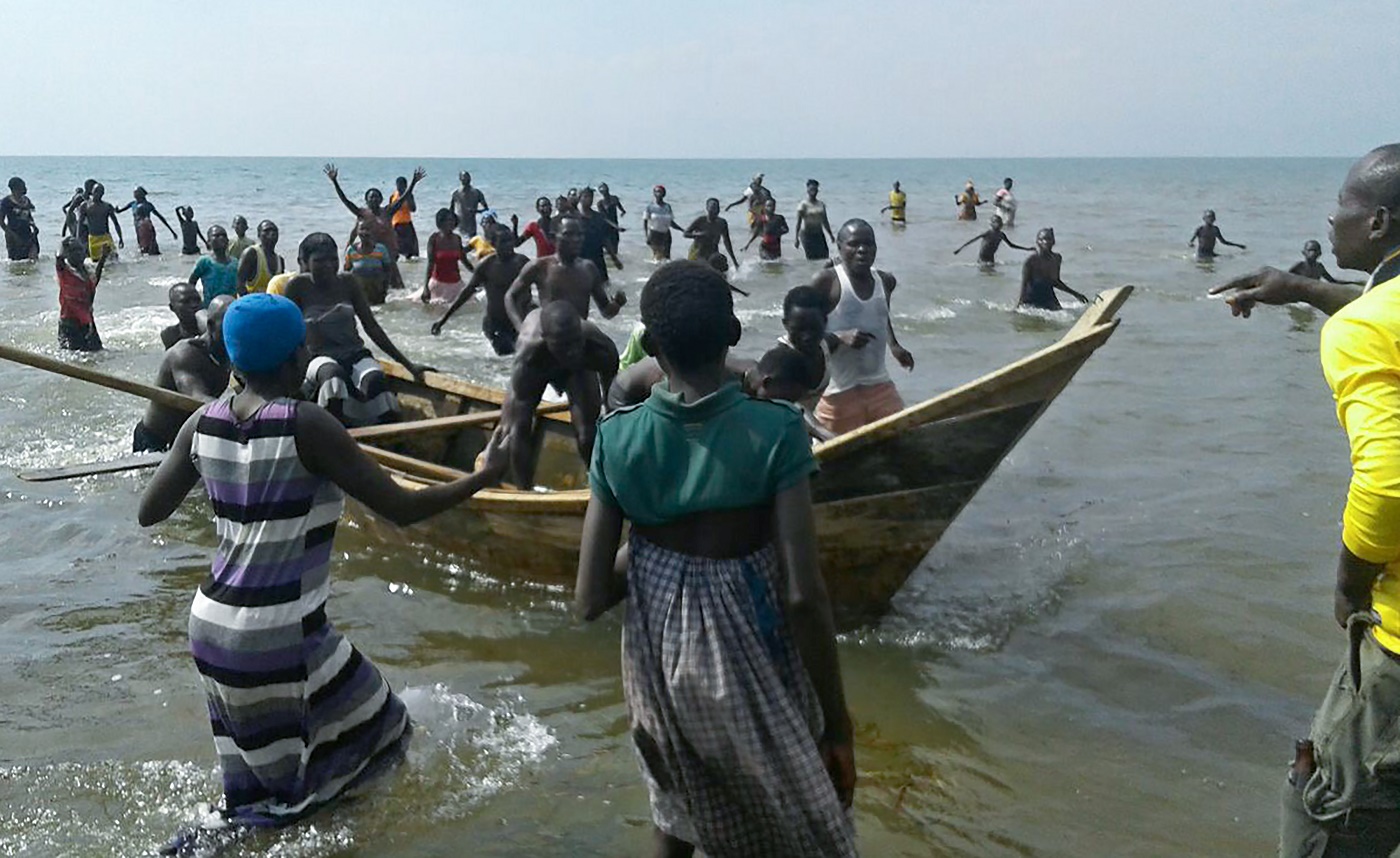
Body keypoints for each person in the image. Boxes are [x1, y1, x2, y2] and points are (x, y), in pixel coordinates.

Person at [137, 292, 508, 836]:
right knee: (371, 741)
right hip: (278, 632)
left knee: (258, 783)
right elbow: (402, 508)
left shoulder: (201, 423)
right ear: (295, 358)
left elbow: (150, 511)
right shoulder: (306, 425)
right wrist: (480, 477)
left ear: (232, 362)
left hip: (212, 626)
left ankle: (240, 833)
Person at [575, 260, 856, 858]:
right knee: (798, 822)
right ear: (733, 333)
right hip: (753, 659)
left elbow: (589, 598)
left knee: (677, 814)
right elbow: (804, 597)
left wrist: (660, 543)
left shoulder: (616, 437)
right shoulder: (777, 428)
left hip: (657, 672)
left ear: (649, 344)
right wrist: (839, 724)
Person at [1209, 144, 1400, 858]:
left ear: (1378, 221)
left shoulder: (1362, 332)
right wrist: (1300, 287)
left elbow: (1387, 483)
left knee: (1322, 818)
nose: (1330, 213)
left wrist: (1349, 582)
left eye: (1344, 203)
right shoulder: (1374, 312)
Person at [282, 232, 431, 426]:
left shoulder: (348, 283)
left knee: (375, 380)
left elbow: (372, 328)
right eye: (319, 261)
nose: (328, 265)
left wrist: (409, 366)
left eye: (333, 259)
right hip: (317, 358)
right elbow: (285, 335)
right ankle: (331, 435)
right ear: (304, 261)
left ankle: (385, 438)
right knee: (333, 377)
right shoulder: (297, 287)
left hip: (354, 354)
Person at [499, 302, 619, 487]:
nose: (572, 351)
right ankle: (524, 490)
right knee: (513, 431)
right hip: (540, 366)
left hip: (579, 369)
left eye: (575, 342)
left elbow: (614, 408)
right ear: (545, 339)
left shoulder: (600, 349)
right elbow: (521, 428)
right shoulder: (528, 358)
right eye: (563, 346)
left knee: (587, 433)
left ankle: (598, 484)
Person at [812, 218, 915, 434]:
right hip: (837, 392)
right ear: (839, 247)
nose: (862, 250)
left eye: (869, 244)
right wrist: (839, 337)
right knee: (836, 455)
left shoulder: (886, 281)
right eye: (854, 244)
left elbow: (881, 315)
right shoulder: (826, 281)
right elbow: (801, 332)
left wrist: (894, 345)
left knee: (902, 439)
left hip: (879, 386)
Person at [134, 295, 232, 453]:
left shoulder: (229, 346)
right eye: (229, 326)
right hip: (156, 439)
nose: (235, 333)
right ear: (212, 326)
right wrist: (243, 411)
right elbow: (197, 400)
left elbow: (201, 315)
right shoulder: (185, 354)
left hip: (188, 433)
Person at [505, 215, 626, 332]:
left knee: (608, 350)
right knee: (524, 351)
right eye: (568, 234)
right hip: (548, 334)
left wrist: (617, 303)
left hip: (579, 334)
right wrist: (521, 327)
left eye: (580, 234)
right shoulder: (540, 266)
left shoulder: (589, 268)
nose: (576, 239)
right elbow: (510, 296)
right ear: (553, 237)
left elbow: (606, 312)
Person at [432, 224, 531, 355]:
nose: (508, 245)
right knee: (506, 356)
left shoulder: (523, 262)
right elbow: (467, 292)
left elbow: (541, 287)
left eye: (510, 240)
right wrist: (443, 319)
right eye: (503, 242)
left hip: (518, 322)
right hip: (495, 323)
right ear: (493, 244)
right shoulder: (487, 265)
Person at [56, 236, 109, 351]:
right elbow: (58, 258)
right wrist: (64, 242)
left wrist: (103, 258)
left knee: (97, 355)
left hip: (87, 323)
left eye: (80, 250)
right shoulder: (65, 273)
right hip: (70, 324)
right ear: (68, 255)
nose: (78, 254)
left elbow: (95, 281)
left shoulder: (87, 274)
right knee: (72, 360)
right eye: (73, 251)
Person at [1019, 228, 1088, 310]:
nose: (1046, 242)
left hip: (1048, 295)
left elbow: (1055, 281)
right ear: (1037, 242)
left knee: (1063, 315)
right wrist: (1020, 304)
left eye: (1049, 239)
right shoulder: (1031, 261)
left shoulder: (1057, 258)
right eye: (1042, 239)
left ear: (1053, 241)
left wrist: (1076, 294)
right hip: (1031, 297)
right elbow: (1024, 285)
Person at [419, 208, 472, 304]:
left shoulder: (457, 239)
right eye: (448, 220)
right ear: (441, 222)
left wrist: (479, 275)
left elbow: (464, 260)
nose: (451, 223)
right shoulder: (434, 239)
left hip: (456, 284)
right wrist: (426, 287)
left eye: (452, 220)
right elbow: (430, 264)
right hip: (438, 284)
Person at [188, 225, 239, 308]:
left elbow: (240, 286)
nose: (221, 238)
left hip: (231, 308)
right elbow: (191, 284)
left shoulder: (235, 262)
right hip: (210, 309)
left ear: (228, 240)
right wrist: (196, 302)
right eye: (216, 236)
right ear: (208, 242)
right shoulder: (204, 262)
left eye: (224, 235)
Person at [955, 215, 1032, 269]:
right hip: (982, 257)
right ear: (991, 224)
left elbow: (1011, 245)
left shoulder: (1001, 235)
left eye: (999, 222)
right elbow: (972, 241)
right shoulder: (987, 233)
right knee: (985, 272)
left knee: (992, 273)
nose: (998, 224)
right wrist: (960, 249)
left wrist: (1027, 249)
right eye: (996, 222)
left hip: (991, 257)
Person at [117, 186, 178, 256]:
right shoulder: (133, 204)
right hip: (138, 229)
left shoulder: (147, 205)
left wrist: (171, 231)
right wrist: (116, 209)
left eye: (136, 192)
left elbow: (160, 217)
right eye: (134, 192)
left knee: (150, 250)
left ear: (141, 194)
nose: (134, 194)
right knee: (144, 249)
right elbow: (119, 211)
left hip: (146, 229)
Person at [343, 223, 394, 305]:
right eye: (361, 229)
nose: (365, 232)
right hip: (359, 293)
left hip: (378, 291)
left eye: (368, 229)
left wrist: (385, 289)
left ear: (373, 232)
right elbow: (346, 272)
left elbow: (388, 271)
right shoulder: (351, 250)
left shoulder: (380, 249)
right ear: (357, 232)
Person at [683, 198, 740, 269]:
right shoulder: (701, 220)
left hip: (713, 251)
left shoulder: (722, 223)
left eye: (716, 208)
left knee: (718, 272)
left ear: (719, 209)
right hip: (698, 251)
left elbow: (727, 242)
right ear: (707, 208)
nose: (714, 210)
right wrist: (699, 235)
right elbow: (685, 234)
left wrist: (734, 261)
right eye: (712, 208)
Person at [578, 187, 623, 277]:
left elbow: (605, 239)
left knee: (603, 286)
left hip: (597, 259)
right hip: (580, 260)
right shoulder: (574, 218)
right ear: (580, 198)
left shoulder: (598, 217)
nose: (589, 199)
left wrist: (614, 259)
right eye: (586, 196)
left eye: (591, 197)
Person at [236, 219, 284, 295]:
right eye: (266, 230)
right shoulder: (251, 253)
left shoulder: (280, 260)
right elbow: (239, 284)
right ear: (259, 235)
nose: (271, 233)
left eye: (274, 231)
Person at [1288, 239, 1363, 285]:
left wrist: (1354, 283)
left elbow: (1332, 281)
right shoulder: (1299, 266)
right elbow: (1285, 278)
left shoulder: (1319, 267)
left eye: (1315, 250)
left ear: (1319, 253)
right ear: (1304, 252)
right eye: (1310, 250)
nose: (1312, 253)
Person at [79, 182, 124, 260]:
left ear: (103, 193)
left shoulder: (107, 206)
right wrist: (79, 239)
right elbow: (80, 224)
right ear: (92, 191)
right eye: (96, 191)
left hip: (105, 237)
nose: (98, 194)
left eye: (100, 192)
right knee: (96, 262)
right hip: (93, 238)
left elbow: (116, 223)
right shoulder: (85, 206)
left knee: (113, 260)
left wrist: (120, 238)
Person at [795, 179, 836, 261]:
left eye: (815, 189)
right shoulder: (803, 205)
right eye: (811, 189)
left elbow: (825, 221)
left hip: (819, 234)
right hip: (807, 235)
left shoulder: (821, 204)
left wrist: (831, 235)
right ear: (807, 190)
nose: (813, 191)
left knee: (824, 256)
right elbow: (798, 223)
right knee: (811, 258)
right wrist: (796, 238)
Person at [1, 177, 39, 261]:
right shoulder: (6, 202)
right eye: (22, 186)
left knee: (33, 258)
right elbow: (1, 221)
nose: (25, 189)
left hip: (27, 233)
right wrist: (12, 235)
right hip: (13, 234)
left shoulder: (26, 200)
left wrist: (34, 226)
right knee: (16, 261)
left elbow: (29, 216)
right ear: (14, 189)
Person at [160, 282, 205, 350]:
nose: (194, 305)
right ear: (172, 308)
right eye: (186, 302)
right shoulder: (170, 335)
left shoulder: (213, 331)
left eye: (197, 300)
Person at [643, 185, 683, 261]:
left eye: (660, 191)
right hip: (654, 234)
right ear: (654, 193)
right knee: (657, 258)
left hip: (666, 234)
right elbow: (645, 222)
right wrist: (646, 236)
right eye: (656, 191)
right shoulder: (649, 207)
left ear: (664, 194)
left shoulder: (667, 207)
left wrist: (682, 229)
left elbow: (671, 222)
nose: (658, 193)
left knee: (666, 259)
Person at [450, 171, 488, 238]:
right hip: (460, 226)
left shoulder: (477, 193)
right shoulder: (456, 193)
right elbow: (451, 211)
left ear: (470, 179)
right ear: (460, 179)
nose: (466, 180)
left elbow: (486, 209)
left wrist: (476, 211)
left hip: (472, 226)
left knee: (472, 244)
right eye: (464, 178)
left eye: (468, 178)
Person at [389, 176, 419, 259]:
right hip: (396, 225)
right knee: (397, 249)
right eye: (398, 185)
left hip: (407, 225)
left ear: (406, 186)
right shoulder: (393, 196)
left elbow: (413, 209)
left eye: (402, 185)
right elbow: (389, 212)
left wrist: (408, 198)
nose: (400, 187)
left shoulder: (409, 195)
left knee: (412, 251)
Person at [596, 182, 626, 257]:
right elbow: (604, 218)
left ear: (608, 189)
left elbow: (622, 209)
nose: (603, 191)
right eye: (601, 190)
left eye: (604, 188)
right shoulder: (600, 203)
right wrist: (616, 227)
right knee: (607, 247)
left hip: (615, 228)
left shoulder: (614, 199)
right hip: (605, 228)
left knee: (615, 248)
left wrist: (622, 213)